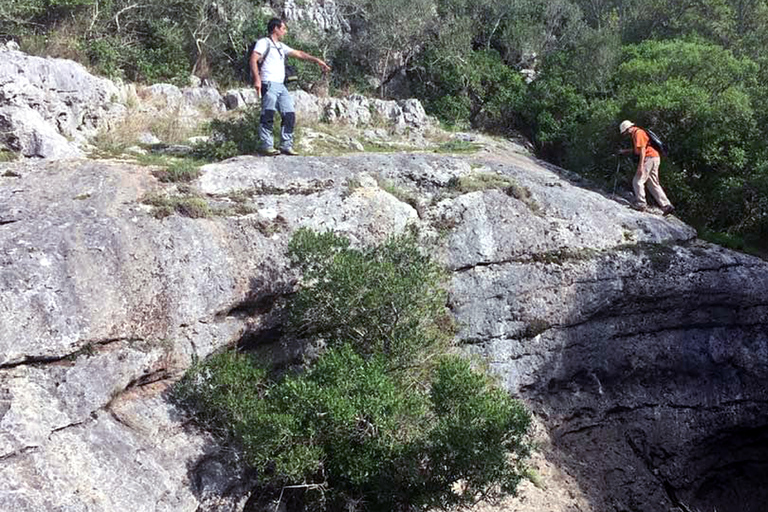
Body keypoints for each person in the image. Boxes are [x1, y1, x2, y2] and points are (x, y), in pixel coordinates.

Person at [250, 18, 331, 156]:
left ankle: (286, 145)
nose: (285, 32)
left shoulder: (281, 46)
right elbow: (253, 59)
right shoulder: (263, 43)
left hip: (281, 86)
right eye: (284, 28)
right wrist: (257, 80)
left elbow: (299, 53)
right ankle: (267, 146)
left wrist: (316, 60)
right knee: (268, 114)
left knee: (289, 114)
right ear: (276, 28)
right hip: (268, 83)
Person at [619, 120, 675, 215]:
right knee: (652, 183)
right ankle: (666, 206)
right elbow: (638, 149)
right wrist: (625, 151)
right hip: (654, 157)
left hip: (649, 158)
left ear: (628, 129)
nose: (625, 134)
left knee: (637, 181)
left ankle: (641, 204)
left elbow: (642, 150)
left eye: (625, 132)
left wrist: (640, 166)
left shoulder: (638, 133)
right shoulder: (638, 133)